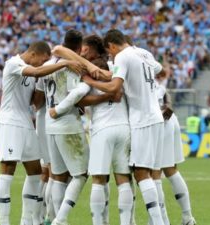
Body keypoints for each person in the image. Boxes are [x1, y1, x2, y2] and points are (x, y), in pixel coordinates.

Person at [82, 29, 165, 225]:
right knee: (146, 173)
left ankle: (160, 222)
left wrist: (90, 80)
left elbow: (114, 88)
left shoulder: (122, 57)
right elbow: (159, 69)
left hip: (141, 118)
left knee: (141, 173)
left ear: (111, 45)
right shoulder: (144, 52)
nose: (111, 56)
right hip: (155, 116)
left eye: (109, 52)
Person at [0, 40, 82, 225]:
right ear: (33, 54)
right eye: (42, 60)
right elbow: (35, 71)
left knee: (35, 172)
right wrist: (64, 62)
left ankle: (26, 221)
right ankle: (4, 222)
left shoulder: (34, 71)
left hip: (26, 122)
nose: (42, 64)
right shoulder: (13, 64)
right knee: (7, 171)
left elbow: (35, 101)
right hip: (9, 122)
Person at [51, 35, 134, 225]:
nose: (82, 54)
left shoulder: (88, 75)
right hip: (123, 127)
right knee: (123, 178)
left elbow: (79, 97)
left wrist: (58, 109)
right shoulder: (117, 68)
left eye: (86, 51)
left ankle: (97, 222)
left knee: (98, 178)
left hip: (102, 129)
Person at [35, 30, 89, 225]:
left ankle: (56, 219)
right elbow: (75, 94)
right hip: (67, 124)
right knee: (81, 174)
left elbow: (38, 99)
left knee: (57, 177)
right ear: (77, 48)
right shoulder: (72, 67)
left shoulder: (47, 66)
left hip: (49, 126)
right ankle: (60, 219)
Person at [152, 73, 196, 225]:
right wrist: (168, 104)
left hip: (156, 120)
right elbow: (163, 89)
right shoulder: (143, 61)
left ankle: (160, 221)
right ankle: (187, 217)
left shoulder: (123, 63)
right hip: (168, 118)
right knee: (171, 170)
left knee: (154, 173)